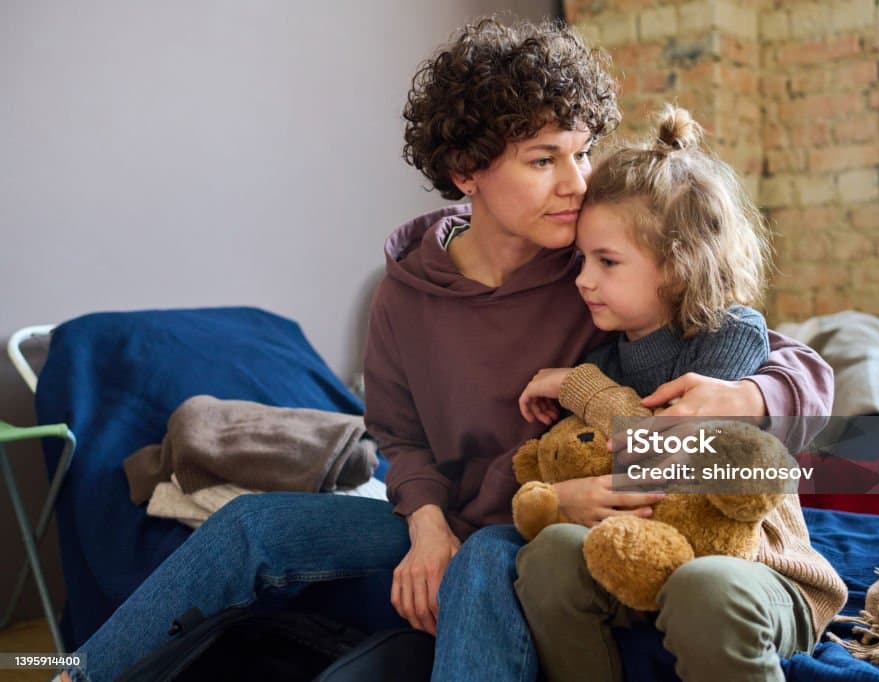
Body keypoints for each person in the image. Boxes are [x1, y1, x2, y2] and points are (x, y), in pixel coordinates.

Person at [62, 17, 834, 682]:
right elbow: (398, 437)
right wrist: (426, 525)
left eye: (583, 152)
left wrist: (748, 396)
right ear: (467, 173)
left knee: (484, 564)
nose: (577, 182)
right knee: (252, 526)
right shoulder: (405, 295)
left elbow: (772, 350)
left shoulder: (597, 267)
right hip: (450, 511)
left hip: (529, 523)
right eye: (544, 159)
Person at [512, 107, 847, 682]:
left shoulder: (729, 334)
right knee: (548, 554)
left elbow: (666, 454)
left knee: (705, 584)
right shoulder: (605, 356)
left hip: (754, 571)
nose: (583, 279)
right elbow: (594, 459)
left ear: (677, 267)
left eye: (607, 262)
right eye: (583, 259)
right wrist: (562, 493)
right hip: (641, 561)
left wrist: (579, 388)